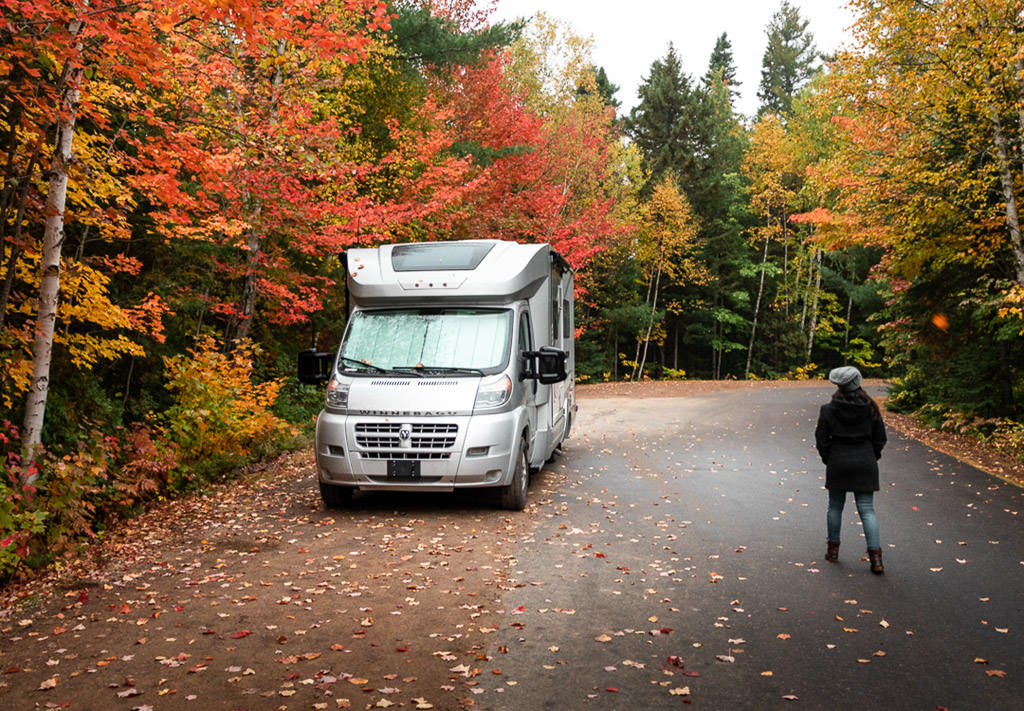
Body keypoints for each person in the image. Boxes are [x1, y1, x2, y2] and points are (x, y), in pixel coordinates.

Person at [814, 366, 888, 574]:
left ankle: (833, 551)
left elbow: (821, 440)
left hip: (838, 461)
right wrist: (872, 456)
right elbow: (880, 438)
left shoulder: (828, 409)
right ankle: (876, 559)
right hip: (866, 462)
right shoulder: (871, 407)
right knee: (867, 510)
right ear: (858, 382)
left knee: (835, 507)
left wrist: (829, 458)